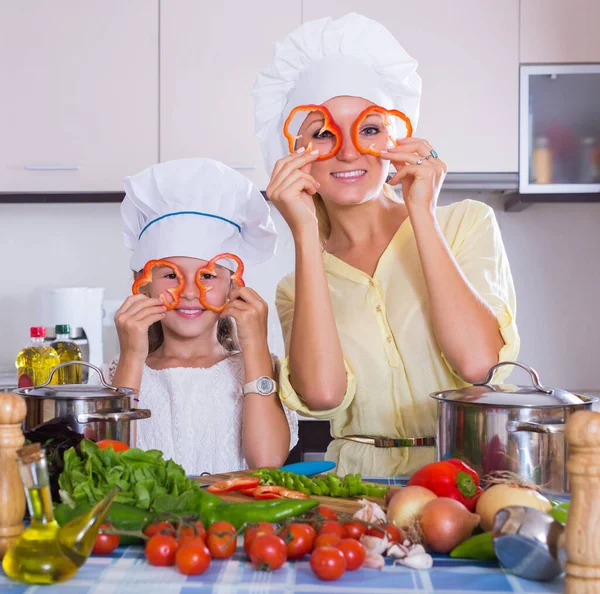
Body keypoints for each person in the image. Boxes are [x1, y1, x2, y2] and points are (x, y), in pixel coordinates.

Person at [252, 13, 519, 476]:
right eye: (323, 135)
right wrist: (304, 234)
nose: (349, 152)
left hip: (472, 474)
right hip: (361, 487)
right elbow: (321, 396)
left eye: (369, 129)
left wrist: (421, 212)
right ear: (294, 156)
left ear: (395, 139)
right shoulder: (297, 284)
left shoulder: (465, 224)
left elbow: (479, 366)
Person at [109, 157, 298, 475]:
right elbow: (112, 464)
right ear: (144, 284)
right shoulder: (114, 374)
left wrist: (255, 347)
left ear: (232, 286)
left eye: (208, 276)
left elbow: (265, 462)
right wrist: (131, 356)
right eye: (170, 275)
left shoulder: (257, 369)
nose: (190, 293)